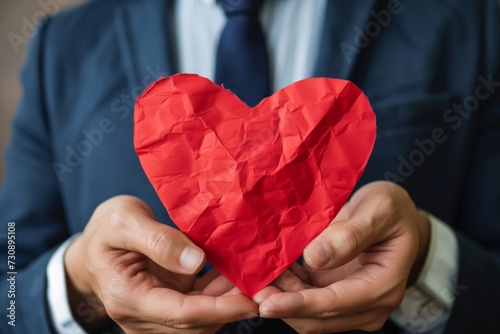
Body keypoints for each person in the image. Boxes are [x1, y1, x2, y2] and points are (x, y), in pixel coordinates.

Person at [1, 0, 499, 333]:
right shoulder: (62, 48)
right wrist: (79, 280)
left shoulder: (471, 22)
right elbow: (9, 295)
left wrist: (425, 260)